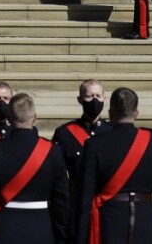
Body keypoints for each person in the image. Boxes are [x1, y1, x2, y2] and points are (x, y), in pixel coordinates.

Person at [76, 87, 152, 244]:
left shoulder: (95, 145)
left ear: (110, 114)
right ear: (136, 113)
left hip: (109, 221)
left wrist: (81, 236)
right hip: (147, 222)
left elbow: (85, 196)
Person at [0, 93, 69, 244]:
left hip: (4, 227)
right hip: (41, 228)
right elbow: (61, 202)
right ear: (34, 118)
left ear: (9, 119)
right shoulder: (52, 151)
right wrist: (62, 236)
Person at [52, 79, 111, 242]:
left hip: (107, 204)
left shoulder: (113, 131)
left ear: (105, 98)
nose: (95, 100)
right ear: (80, 100)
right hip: (76, 207)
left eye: (98, 96)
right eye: (90, 96)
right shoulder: (65, 133)